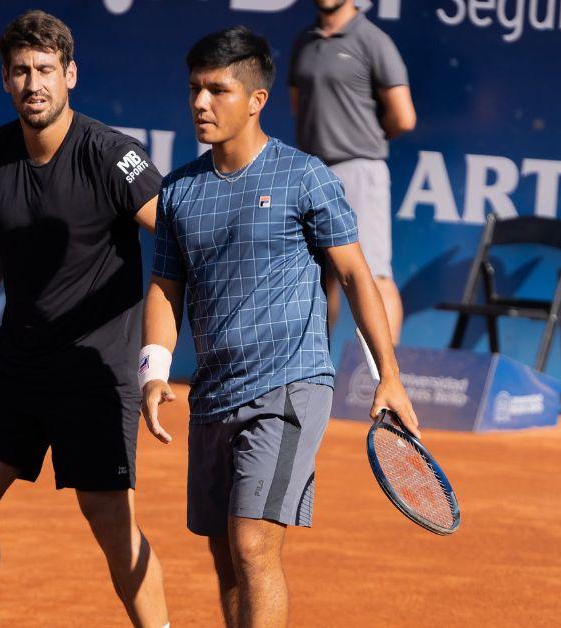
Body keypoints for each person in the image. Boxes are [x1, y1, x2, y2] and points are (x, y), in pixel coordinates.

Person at [139, 27, 420, 628]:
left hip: (289, 386)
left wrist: (388, 377)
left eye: (217, 90)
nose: (200, 103)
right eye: (194, 89)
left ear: (258, 99)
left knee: (253, 546)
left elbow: (355, 274)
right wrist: (154, 368)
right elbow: (166, 285)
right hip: (212, 394)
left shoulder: (305, 177)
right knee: (224, 553)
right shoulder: (180, 192)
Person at [0, 11, 169, 628]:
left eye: (45, 70)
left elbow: (176, 239)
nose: (33, 83)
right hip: (19, 362)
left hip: (95, 372)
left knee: (111, 520)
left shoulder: (114, 156)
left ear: (70, 75)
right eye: (20, 71)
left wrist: (158, 355)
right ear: (5, 82)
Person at [289, 0, 416, 344]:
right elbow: (299, 104)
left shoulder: (373, 40)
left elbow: (403, 117)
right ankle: (311, 377)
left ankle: (386, 383)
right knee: (318, 280)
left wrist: (363, 137)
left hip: (359, 168)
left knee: (373, 274)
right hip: (311, 173)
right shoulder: (304, 41)